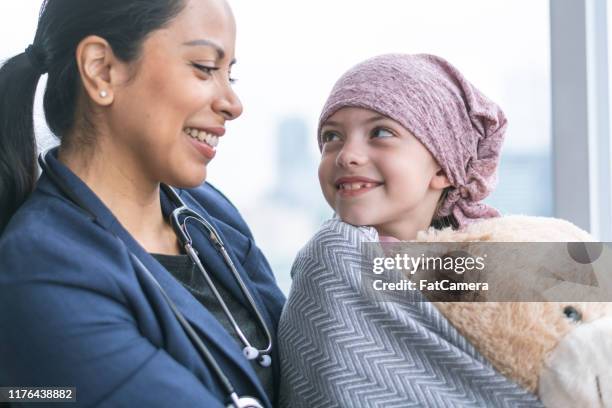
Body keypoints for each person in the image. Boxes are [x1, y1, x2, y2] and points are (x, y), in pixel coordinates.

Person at [0, 0, 285, 407]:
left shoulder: (208, 212)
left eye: (230, 74)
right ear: (102, 69)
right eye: (204, 67)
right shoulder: (40, 273)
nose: (233, 104)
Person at [278, 54, 542, 407]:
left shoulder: (482, 256)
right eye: (331, 137)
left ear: (444, 167)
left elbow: (585, 292)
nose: (347, 155)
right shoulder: (335, 253)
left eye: (381, 132)